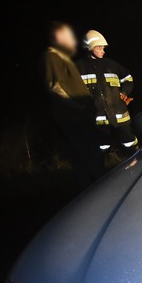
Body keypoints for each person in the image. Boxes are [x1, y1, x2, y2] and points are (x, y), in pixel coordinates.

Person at [43, 22, 101, 187]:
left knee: (91, 153)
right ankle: (88, 189)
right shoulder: (51, 56)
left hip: (82, 116)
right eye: (68, 36)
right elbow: (55, 87)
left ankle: (94, 184)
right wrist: (77, 107)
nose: (72, 40)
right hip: (74, 118)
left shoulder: (62, 58)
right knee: (84, 154)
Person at [76, 30, 137, 153]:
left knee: (128, 140)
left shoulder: (111, 64)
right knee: (102, 144)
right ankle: (104, 165)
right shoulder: (79, 67)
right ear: (89, 47)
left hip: (119, 112)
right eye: (99, 47)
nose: (103, 50)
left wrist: (124, 92)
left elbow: (128, 79)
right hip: (97, 116)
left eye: (103, 48)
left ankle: (135, 160)